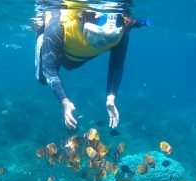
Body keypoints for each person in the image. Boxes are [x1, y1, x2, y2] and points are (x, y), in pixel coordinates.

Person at [33, 1, 150, 130]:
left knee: (71, 66)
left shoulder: (121, 31)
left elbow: (116, 65)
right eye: (95, 36)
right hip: (61, 47)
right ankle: (40, 33)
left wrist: (111, 98)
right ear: (82, 19)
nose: (99, 42)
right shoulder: (58, 26)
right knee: (43, 78)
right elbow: (50, 70)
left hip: (77, 58)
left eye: (108, 39)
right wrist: (65, 102)